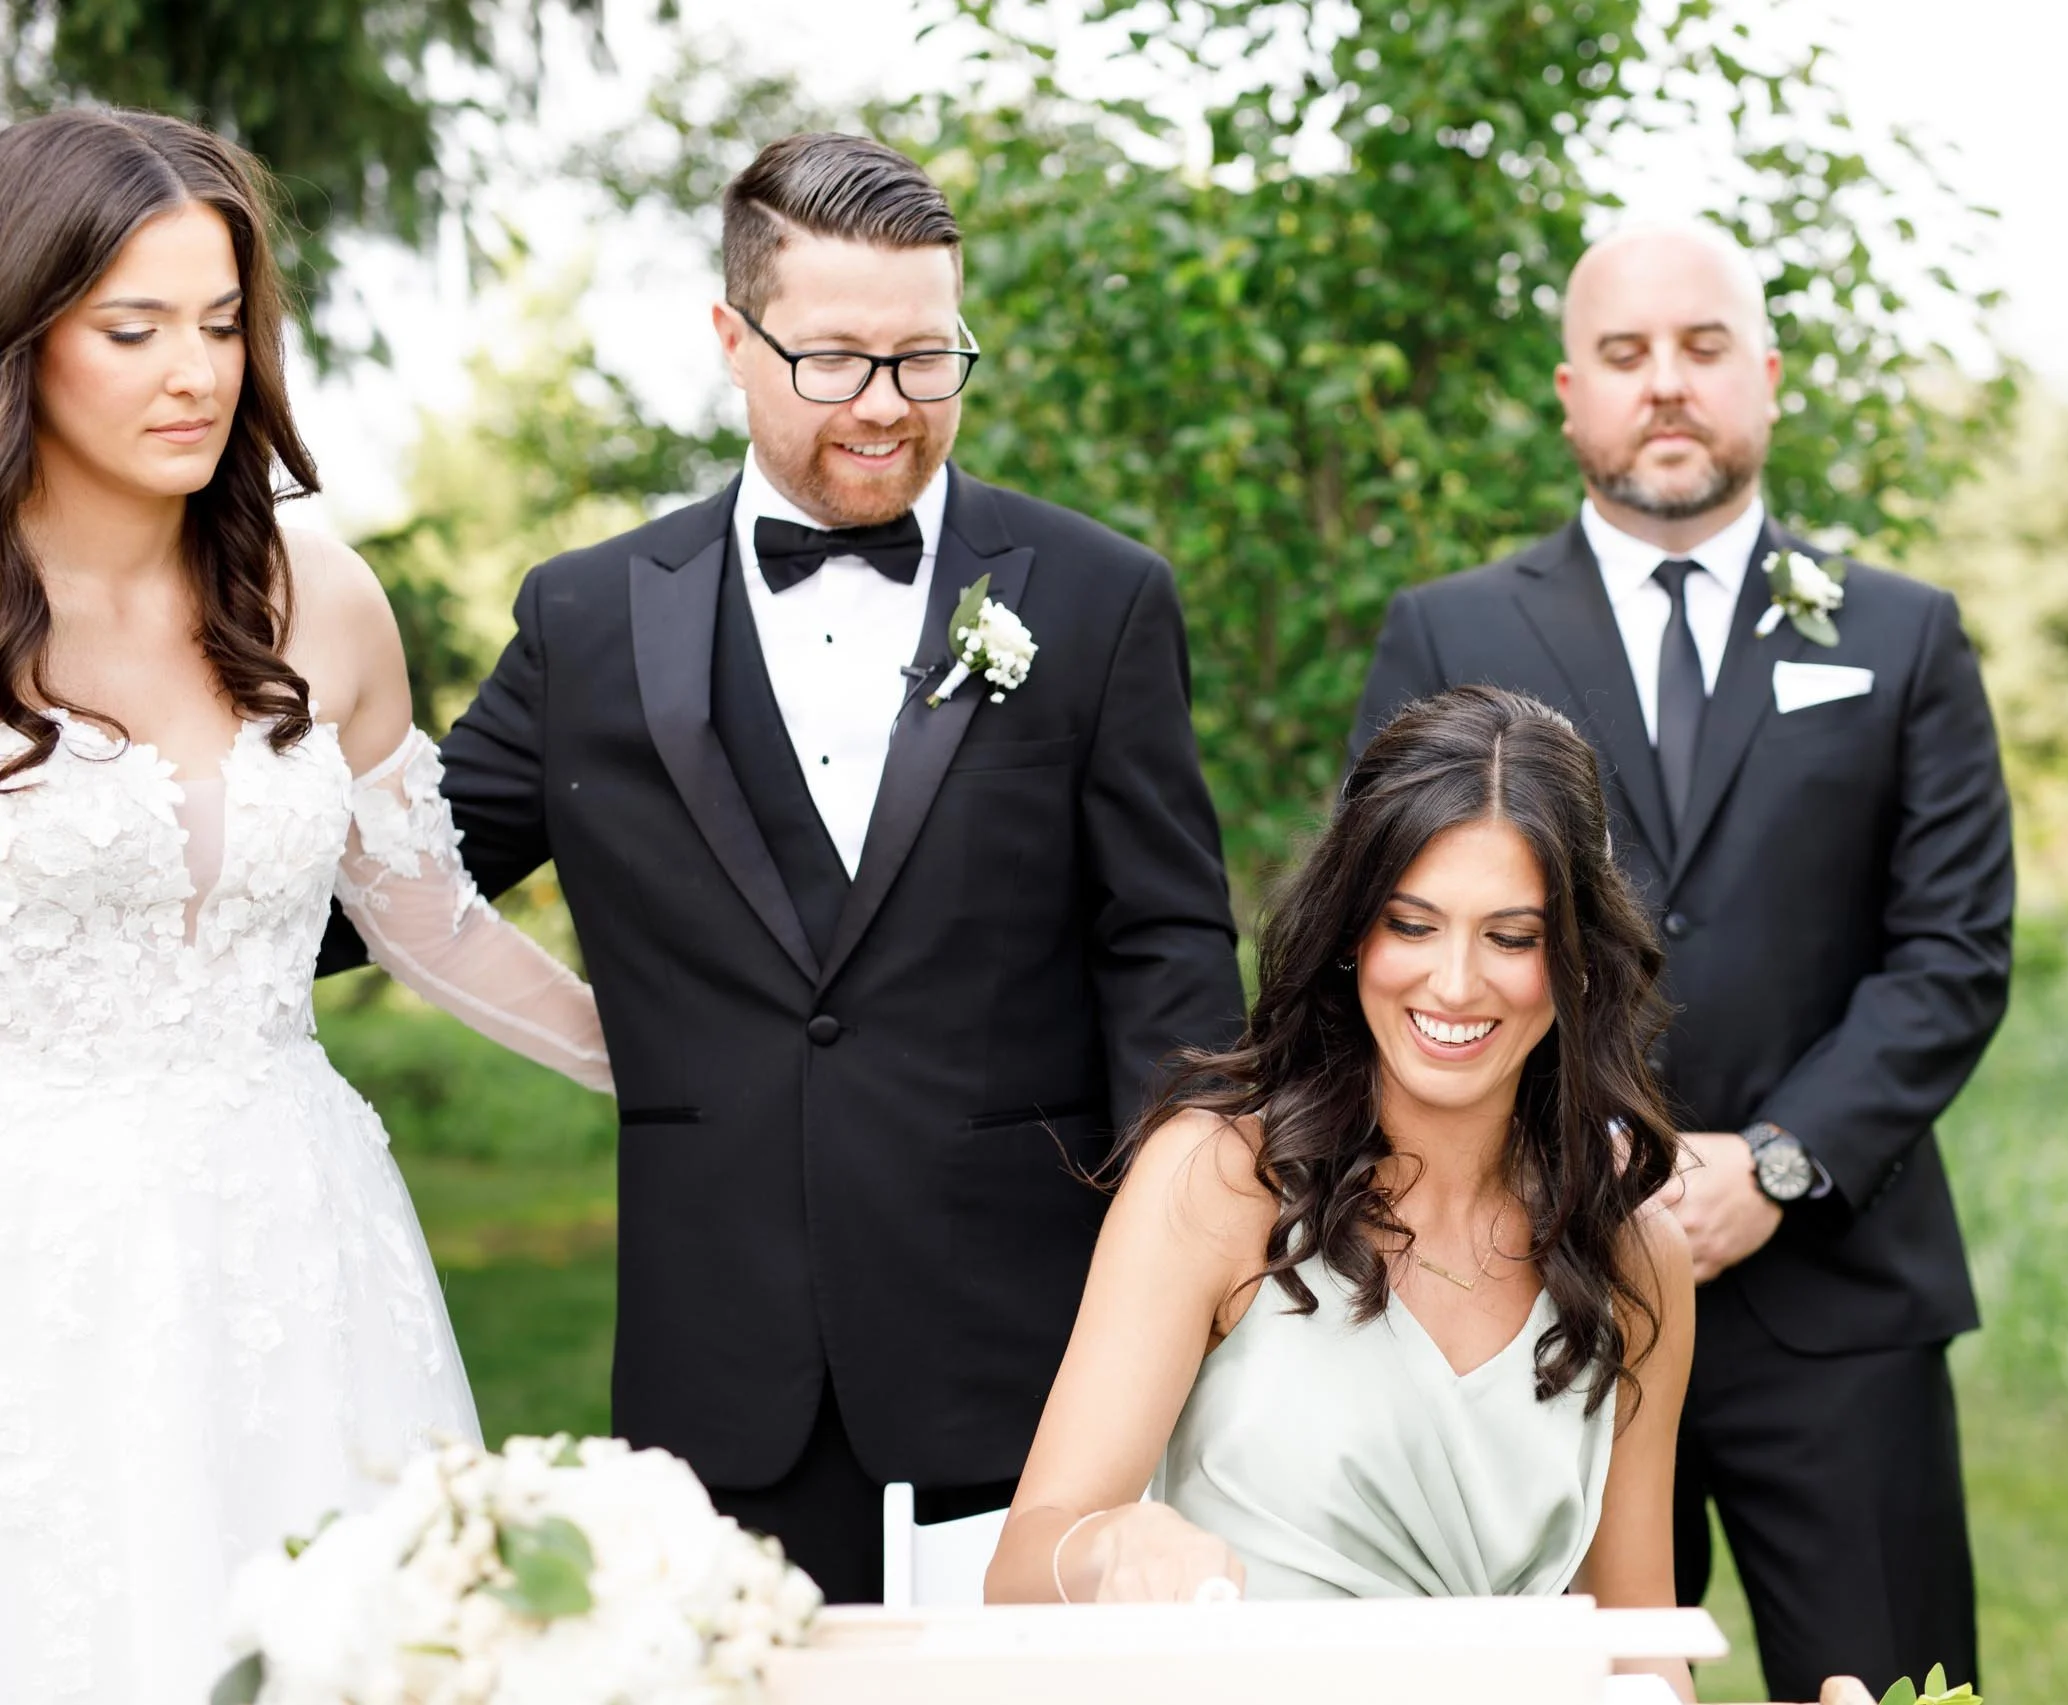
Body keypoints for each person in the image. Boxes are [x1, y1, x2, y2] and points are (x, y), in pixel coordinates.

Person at [319, 131, 1244, 1601]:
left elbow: (1168, 950)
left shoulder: (1100, 596)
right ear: (731, 342)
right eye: (833, 362)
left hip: (1031, 1360)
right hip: (717, 1364)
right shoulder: (588, 618)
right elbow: (388, 882)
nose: (887, 409)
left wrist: (1185, 1260)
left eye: (927, 359)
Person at [1351, 223, 2014, 1700]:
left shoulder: (1905, 639)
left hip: (1835, 1302)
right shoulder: (1449, 629)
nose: (1668, 385)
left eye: (1704, 348)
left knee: (1885, 1683)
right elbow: (1387, 937)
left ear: (1766, 380)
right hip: (1530, 1290)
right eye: (1629, 355)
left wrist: (1776, 1163)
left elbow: (1953, 952)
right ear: (1570, 392)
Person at [0, 109, 609, 1703]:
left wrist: (688, 1067)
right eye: (133, 330)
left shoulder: (315, 594)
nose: (194, 373)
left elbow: (432, 922)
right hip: (38, 1248)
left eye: (221, 325)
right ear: (24, 336)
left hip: (303, 1229)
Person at [990, 686, 1700, 1700]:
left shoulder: (1634, 1258)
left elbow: (1643, 1652)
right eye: (1412, 924)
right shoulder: (1219, 1182)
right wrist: (1112, 1546)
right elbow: (1020, 1569)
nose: (1454, 984)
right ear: (1351, 932)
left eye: (1511, 937)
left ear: (1577, 959)